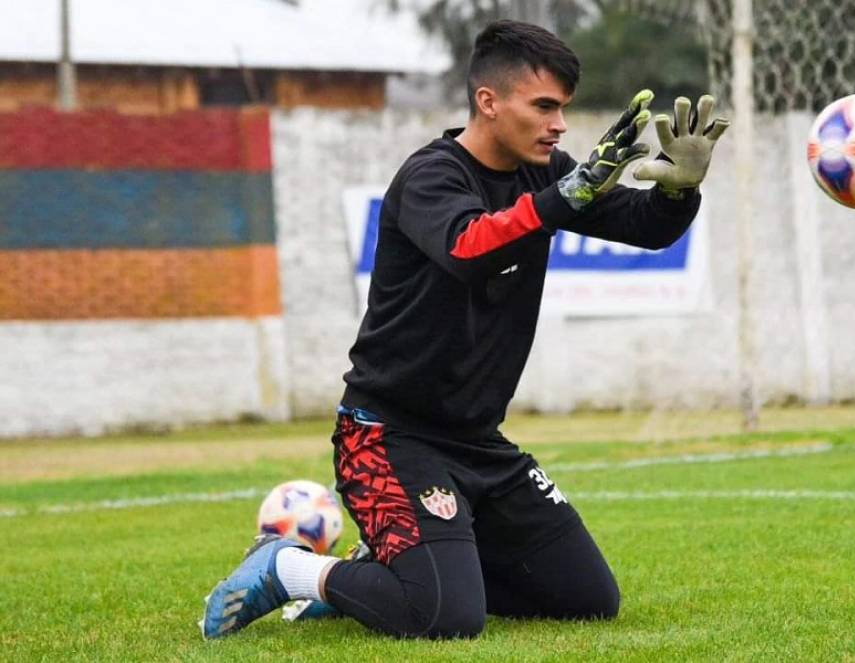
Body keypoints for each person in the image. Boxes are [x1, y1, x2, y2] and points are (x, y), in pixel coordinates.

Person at [201, 19, 728, 640]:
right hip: (389, 436)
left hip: (479, 442)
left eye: (563, 108)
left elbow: (645, 227)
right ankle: (288, 567)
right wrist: (565, 196)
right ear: (489, 101)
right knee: (445, 617)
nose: (560, 124)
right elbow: (470, 248)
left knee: (588, 599)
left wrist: (679, 192)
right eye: (544, 106)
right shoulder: (431, 175)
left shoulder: (546, 174)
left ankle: (394, 567)